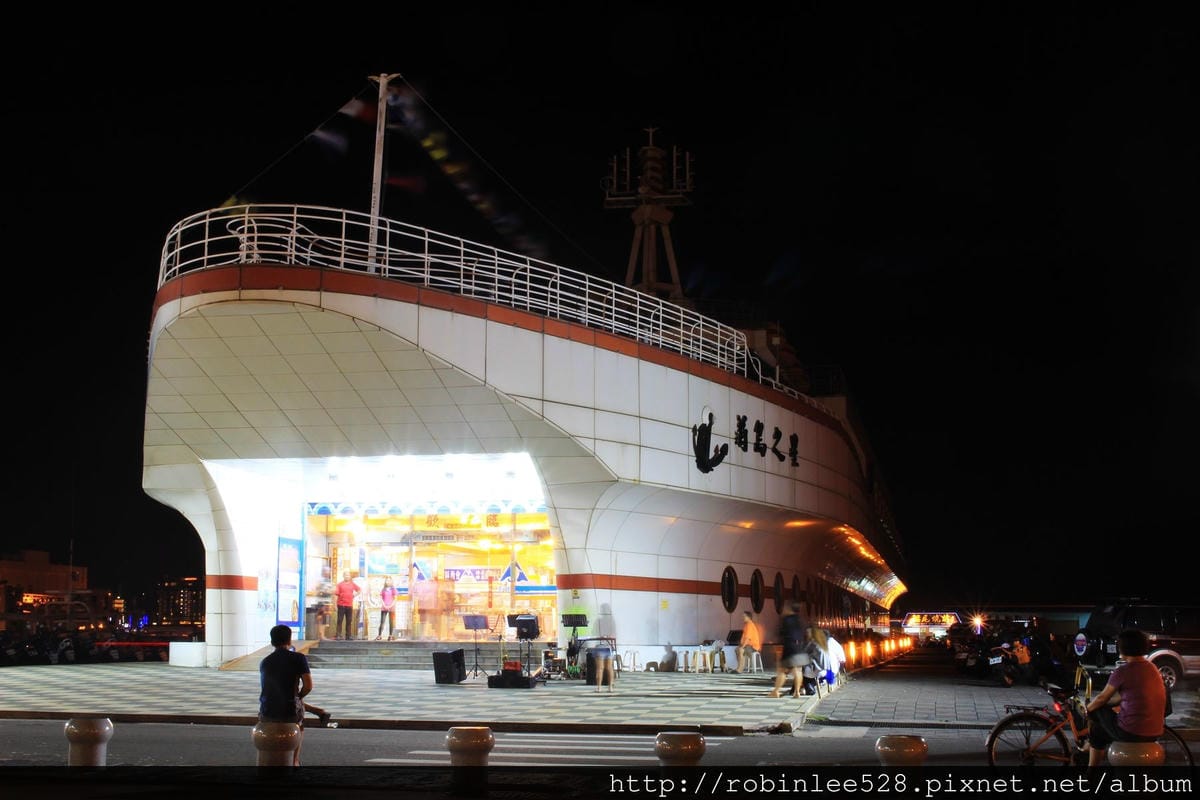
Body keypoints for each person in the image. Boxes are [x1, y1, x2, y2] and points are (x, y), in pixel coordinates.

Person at [1082, 628, 1166, 768]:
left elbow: (1102, 699)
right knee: (1100, 729)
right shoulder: (1152, 668)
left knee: (1097, 717)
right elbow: (1125, 697)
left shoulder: (1123, 671)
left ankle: (1090, 771)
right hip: (1156, 731)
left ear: (1122, 648)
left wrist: (1087, 709)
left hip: (1131, 732)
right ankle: (1092, 743)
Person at [258, 624, 313, 767]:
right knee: (300, 722)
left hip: (266, 711)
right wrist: (299, 696)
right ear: (289, 641)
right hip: (289, 711)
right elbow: (308, 686)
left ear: (272, 642)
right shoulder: (298, 658)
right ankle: (294, 760)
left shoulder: (265, 662)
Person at [769, 601, 811, 698]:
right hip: (800, 647)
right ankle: (797, 692)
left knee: (782, 671)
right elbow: (805, 633)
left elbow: (780, 633)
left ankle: (776, 691)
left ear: (789, 609)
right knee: (798, 671)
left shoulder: (786, 619)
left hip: (790, 647)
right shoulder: (800, 620)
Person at [334, 571, 360, 640]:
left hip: (349, 605)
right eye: (345, 575)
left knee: (349, 621)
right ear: (343, 576)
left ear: (350, 576)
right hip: (341, 605)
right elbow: (336, 595)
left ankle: (348, 635)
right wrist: (335, 605)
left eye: (348, 575)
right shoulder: (339, 584)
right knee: (340, 620)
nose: (347, 576)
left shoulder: (352, 584)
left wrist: (355, 595)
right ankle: (338, 635)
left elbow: (359, 590)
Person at [377, 576, 397, 640]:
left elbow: (395, 599)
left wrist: (390, 606)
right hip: (384, 608)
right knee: (382, 622)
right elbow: (381, 598)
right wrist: (384, 605)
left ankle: (390, 636)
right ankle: (379, 635)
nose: (388, 581)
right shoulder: (383, 589)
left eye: (389, 580)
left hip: (392, 608)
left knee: (391, 622)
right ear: (385, 581)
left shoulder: (393, 589)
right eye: (387, 580)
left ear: (391, 581)